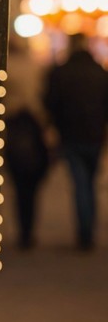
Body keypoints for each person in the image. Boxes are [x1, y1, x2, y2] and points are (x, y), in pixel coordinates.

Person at [44, 32, 108, 251]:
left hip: (70, 136)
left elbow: (50, 102)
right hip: (95, 136)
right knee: (90, 182)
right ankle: (89, 230)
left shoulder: (61, 72)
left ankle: (85, 233)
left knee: (80, 183)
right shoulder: (100, 72)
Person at [4, 35, 50, 249]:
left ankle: (23, 230)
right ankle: (29, 229)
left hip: (11, 127)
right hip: (32, 127)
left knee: (18, 184)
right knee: (31, 184)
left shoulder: (5, 67)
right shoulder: (35, 66)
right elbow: (41, 98)